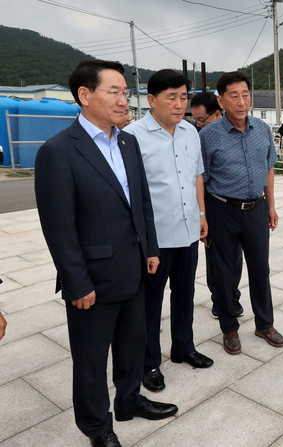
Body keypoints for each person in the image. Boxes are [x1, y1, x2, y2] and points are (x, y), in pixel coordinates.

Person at [35, 59, 177, 447]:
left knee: (132, 345)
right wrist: (77, 283)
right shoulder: (58, 151)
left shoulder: (128, 142)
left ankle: (129, 401)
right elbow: (59, 229)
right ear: (85, 95)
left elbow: (141, 203)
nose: (123, 100)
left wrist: (150, 248)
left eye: (124, 93)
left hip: (133, 267)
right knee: (91, 359)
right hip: (92, 280)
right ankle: (96, 426)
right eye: (113, 92)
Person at [123, 69, 214, 394]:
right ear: (151, 100)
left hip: (188, 230)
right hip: (155, 238)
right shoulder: (132, 136)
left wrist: (202, 214)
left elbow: (197, 176)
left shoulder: (190, 132)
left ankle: (183, 347)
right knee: (150, 302)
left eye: (183, 97)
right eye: (171, 97)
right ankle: (148, 362)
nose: (179, 104)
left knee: (185, 294)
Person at [200, 71, 283, 354]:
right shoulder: (208, 135)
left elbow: (269, 168)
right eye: (233, 96)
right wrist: (202, 215)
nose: (241, 101)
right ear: (221, 101)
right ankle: (229, 328)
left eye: (245, 95)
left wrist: (271, 205)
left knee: (260, 269)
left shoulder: (262, 129)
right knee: (224, 271)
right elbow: (201, 178)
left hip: (256, 209)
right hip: (221, 209)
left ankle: (265, 324)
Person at [191, 91, 244, 319]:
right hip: (213, 205)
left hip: (237, 207)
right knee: (215, 256)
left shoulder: (236, 134)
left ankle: (233, 296)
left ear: (218, 113)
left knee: (235, 256)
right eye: (195, 120)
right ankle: (218, 299)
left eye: (201, 120)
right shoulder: (201, 138)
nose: (198, 125)